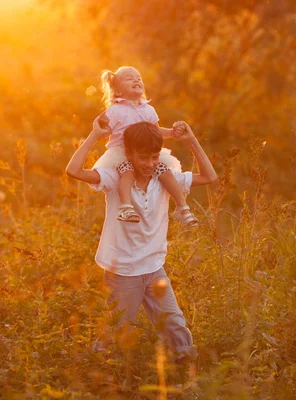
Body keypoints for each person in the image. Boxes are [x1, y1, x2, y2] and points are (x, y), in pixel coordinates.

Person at [66, 119, 217, 360]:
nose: (150, 164)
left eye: (155, 157)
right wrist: (94, 135)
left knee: (176, 325)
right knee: (116, 331)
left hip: (154, 268)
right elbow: (73, 171)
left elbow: (209, 177)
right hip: (124, 271)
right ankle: (95, 372)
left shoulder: (164, 178)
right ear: (129, 154)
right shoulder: (116, 179)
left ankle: (188, 374)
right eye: (143, 158)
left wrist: (191, 141)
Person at [94, 66, 198, 226]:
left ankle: (182, 207)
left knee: (166, 172)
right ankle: (126, 207)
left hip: (145, 152)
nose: (136, 80)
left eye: (138, 78)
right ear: (119, 91)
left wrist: (172, 132)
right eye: (129, 78)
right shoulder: (115, 110)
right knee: (127, 172)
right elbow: (105, 131)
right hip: (123, 153)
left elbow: (155, 131)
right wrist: (101, 127)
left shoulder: (149, 110)